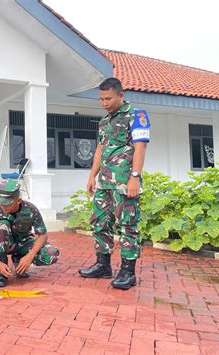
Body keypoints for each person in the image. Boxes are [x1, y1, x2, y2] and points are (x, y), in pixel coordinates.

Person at [79, 77, 151, 290]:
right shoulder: (104, 121)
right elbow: (100, 150)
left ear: (121, 95)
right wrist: (92, 176)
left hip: (124, 181)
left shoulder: (136, 116)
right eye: (101, 99)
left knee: (128, 225)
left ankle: (128, 272)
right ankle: (103, 265)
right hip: (104, 182)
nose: (104, 103)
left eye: (108, 98)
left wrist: (135, 176)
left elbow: (140, 147)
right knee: (99, 222)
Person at [0, 180, 59, 287]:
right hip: (5, 246)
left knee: (51, 254)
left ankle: (18, 259)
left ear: (18, 200)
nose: (3, 206)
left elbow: (43, 235)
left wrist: (30, 256)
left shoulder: (30, 209)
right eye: (1, 202)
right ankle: (2, 272)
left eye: (7, 203)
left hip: (24, 243)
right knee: (1, 225)